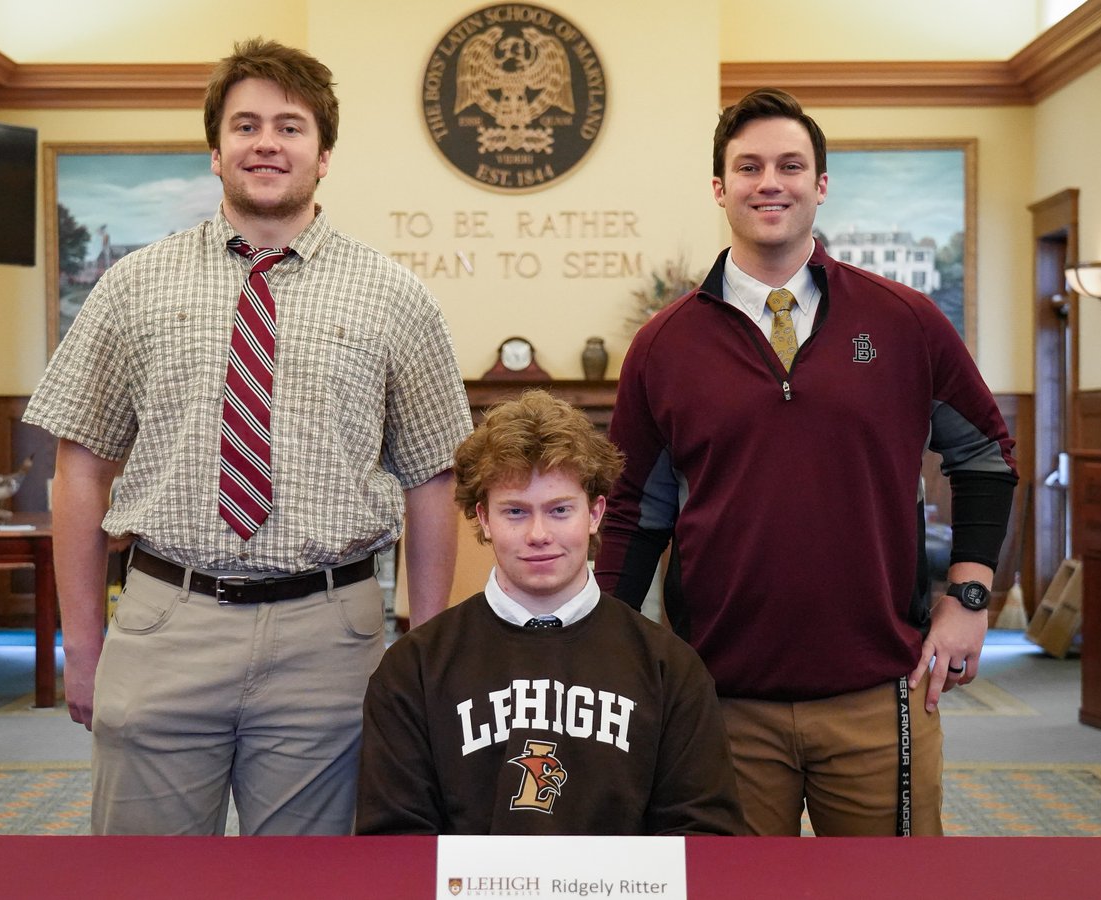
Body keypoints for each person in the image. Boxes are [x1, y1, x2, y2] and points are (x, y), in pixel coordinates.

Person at [23, 38, 473, 836]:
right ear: (215, 150)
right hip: (166, 623)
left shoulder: (395, 296)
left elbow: (432, 478)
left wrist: (424, 651)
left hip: (332, 637)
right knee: (145, 887)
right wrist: (82, 646)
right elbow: (80, 466)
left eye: (291, 126)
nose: (267, 142)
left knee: (317, 886)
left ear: (324, 154)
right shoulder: (133, 286)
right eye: (246, 125)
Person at [595, 88, 1018, 837]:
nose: (771, 182)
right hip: (720, 702)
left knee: (894, 897)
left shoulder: (904, 321)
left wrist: (969, 600)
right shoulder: (665, 346)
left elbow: (984, 455)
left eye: (791, 165)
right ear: (719, 188)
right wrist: (607, 647)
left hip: (880, 697)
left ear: (820, 185)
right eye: (749, 166)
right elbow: (635, 511)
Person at [355, 390, 745, 835]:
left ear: (595, 513)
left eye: (560, 510)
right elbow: (395, 840)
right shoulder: (414, 668)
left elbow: (701, 835)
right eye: (515, 512)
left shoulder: (669, 667)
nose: (539, 534)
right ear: (483, 519)